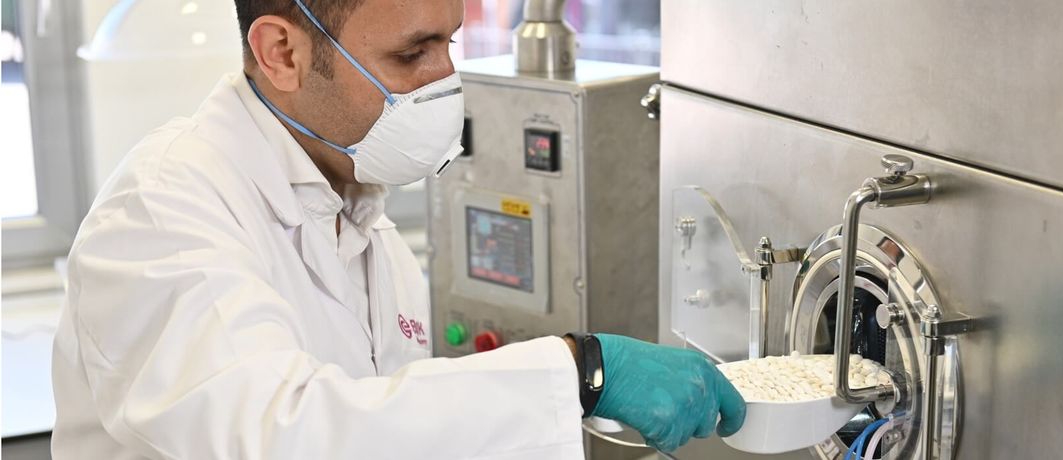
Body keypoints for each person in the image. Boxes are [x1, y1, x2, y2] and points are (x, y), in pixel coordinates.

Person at [50, 1, 745, 458]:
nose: (447, 78)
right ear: (283, 54)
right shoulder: (164, 214)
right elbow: (278, 435)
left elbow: (394, 426)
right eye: (412, 55)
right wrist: (580, 371)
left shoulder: (361, 219)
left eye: (449, 42)